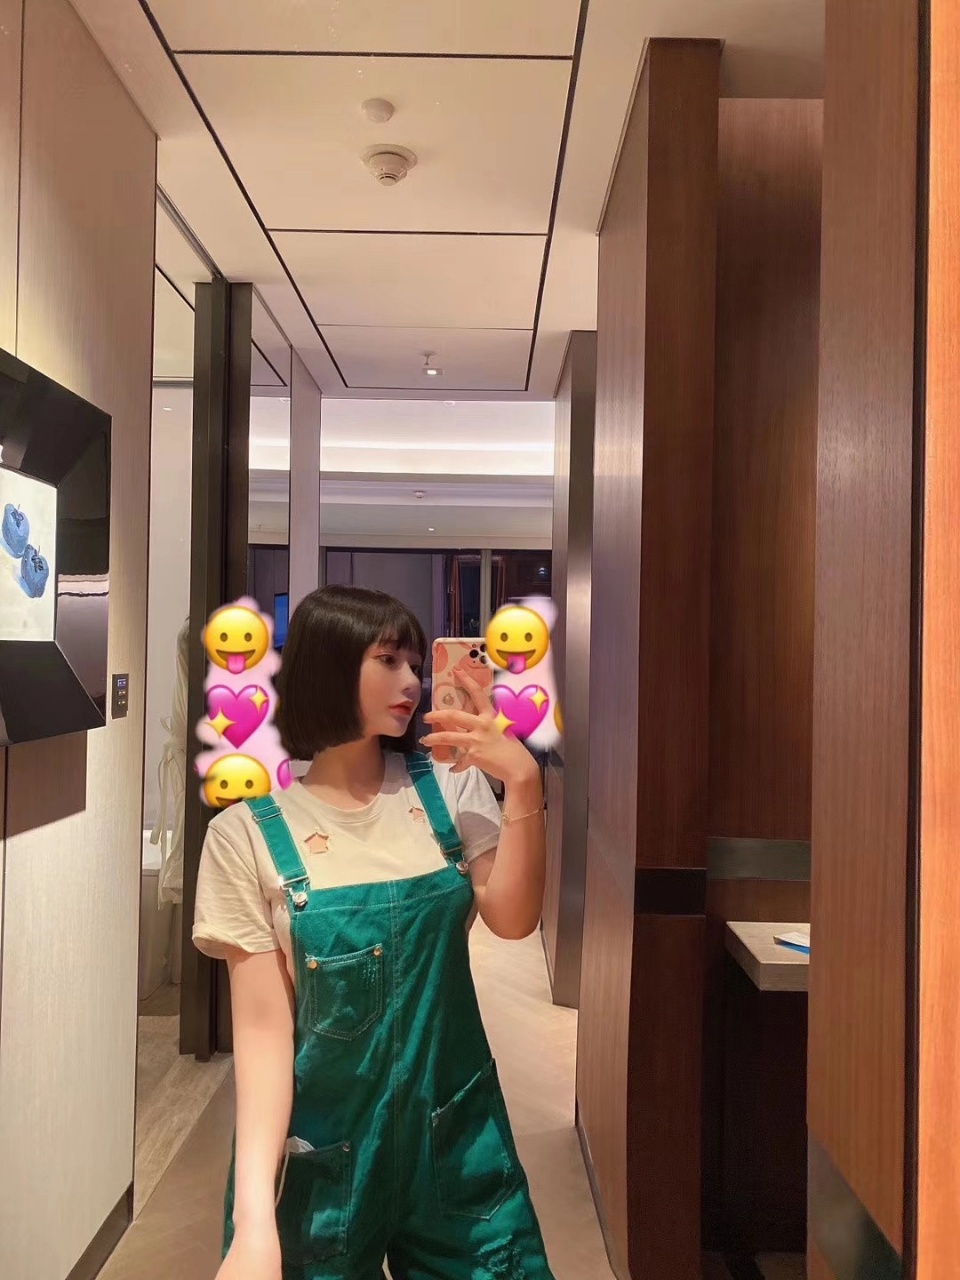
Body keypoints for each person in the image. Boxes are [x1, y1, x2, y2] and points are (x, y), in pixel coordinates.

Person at [194, 585, 556, 1280]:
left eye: (416, 663)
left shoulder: (447, 788)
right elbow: (265, 1038)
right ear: (329, 664)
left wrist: (524, 782)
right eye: (388, 660)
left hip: (455, 1136)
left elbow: (513, 919)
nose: (412, 681)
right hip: (322, 1158)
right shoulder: (246, 835)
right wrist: (254, 1218)